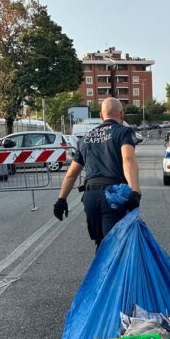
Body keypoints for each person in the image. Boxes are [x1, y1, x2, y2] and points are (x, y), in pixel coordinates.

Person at [53, 97, 142, 248]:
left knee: (101, 245)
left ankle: (101, 271)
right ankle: (111, 272)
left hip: (91, 198)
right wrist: (135, 191)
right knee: (114, 247)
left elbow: (72, 173)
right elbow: (128, 159)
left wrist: (61, 200)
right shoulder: (124, 132)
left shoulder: (86, 138)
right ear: (122, 114)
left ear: (101, 116)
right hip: (113, 197)